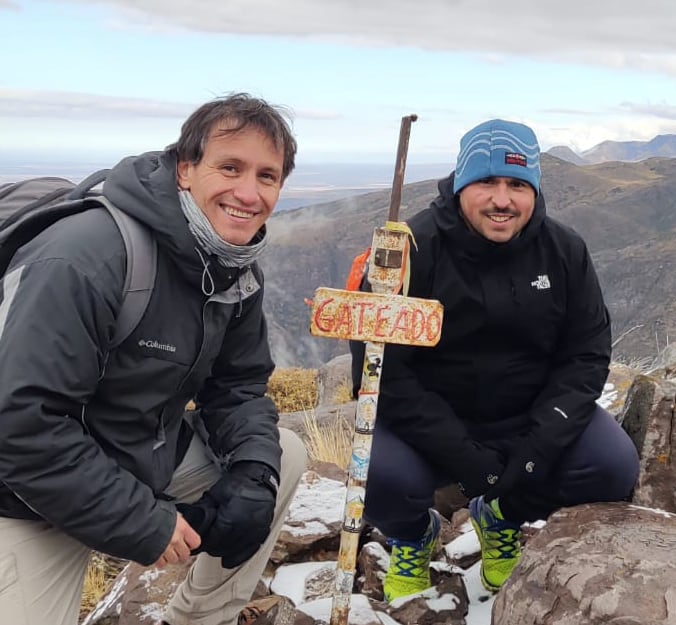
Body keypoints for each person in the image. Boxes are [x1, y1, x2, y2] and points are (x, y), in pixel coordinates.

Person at [0, 93, 308, 625]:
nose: (248, 193)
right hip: (24, 494)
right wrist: (143, 521)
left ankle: (199, 618)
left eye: (267, 176)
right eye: (230, 167)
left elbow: (236, 387)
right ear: (186, 169)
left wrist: (253, 477)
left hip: (137, 452)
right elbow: (20, 425)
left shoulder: (233, 265)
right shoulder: (87, 256)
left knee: (285, 453)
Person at [351, 119, 639, 599]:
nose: (502, 199)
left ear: (534, 190)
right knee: (376, 471)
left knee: (611, 465)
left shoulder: (563, 251)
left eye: (518, 184)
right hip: (431, 422)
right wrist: (465, 458)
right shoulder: (408, 253)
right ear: (461, 184)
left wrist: (536, 451)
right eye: (486, 181)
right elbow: (381, 372)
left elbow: (586, 354)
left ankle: (501, 515)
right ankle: (412, 536)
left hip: (527, 413)